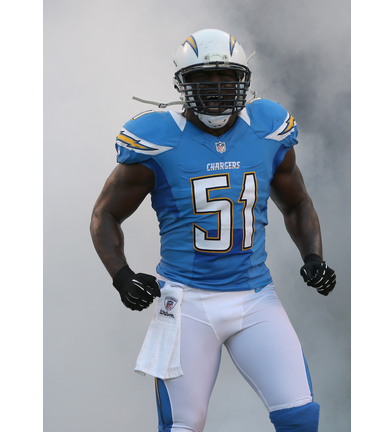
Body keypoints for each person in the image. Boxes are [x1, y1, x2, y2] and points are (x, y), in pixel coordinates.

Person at [90, 28, 336, 432]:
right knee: (183, 425)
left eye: (227, 77)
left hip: (255, 297)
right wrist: (121, 274)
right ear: (182, 84)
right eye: (204, 79)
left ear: (244, 80)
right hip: (186, 302)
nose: (218, 88)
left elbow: (297, 202)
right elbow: (105, 214)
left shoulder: (267, 127)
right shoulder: (157, 139)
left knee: (300, 416)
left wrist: (312, 256)